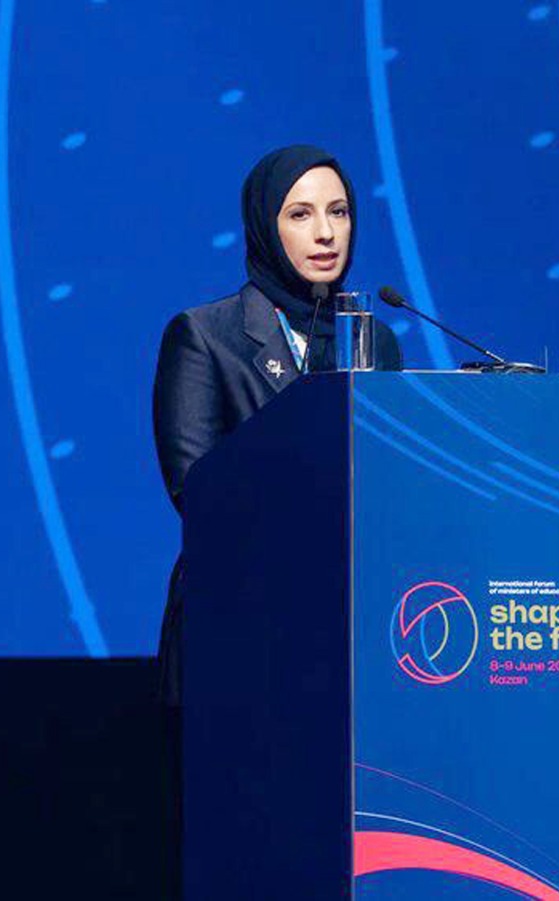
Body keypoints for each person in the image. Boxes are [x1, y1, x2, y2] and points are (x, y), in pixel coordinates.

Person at [151, 145, 403, 706]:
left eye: (338, 213)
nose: (325, 234)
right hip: (239, 621)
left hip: (353, 627)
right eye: (300, 214)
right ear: (265, 225)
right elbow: (197, 490)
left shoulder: (374, 339)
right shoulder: (205, 335)